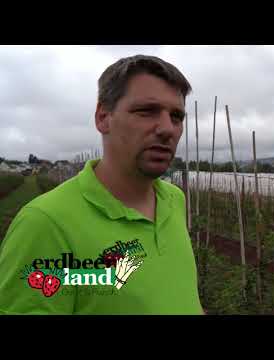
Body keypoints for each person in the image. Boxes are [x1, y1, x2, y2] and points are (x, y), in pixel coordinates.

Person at [0, 54, 204, 315]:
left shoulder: (174, 199)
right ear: (103, 117)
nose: (167, 129)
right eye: (146, 111)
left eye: (176, 116)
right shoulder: (46, 224)